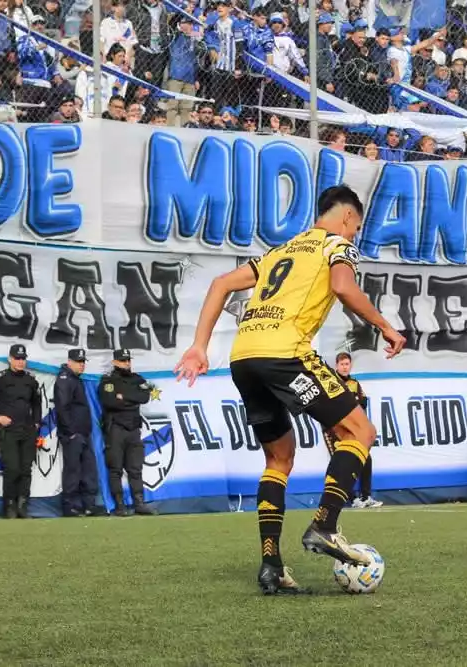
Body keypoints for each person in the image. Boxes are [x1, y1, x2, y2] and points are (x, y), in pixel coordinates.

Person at [174, 184, 407, 596]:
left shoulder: (280, 251)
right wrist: (386, 326)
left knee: (278, 459)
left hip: (244, 357)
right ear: (349, 218)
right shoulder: (337, 244)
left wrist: (199, 346)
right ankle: (325, 525)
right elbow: (342, 287)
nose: (354, 235)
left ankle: (272, 566)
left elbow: (220, 284)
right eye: (357, 227)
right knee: (360, 432)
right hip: (285, 353)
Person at [0, 344, 42, 519]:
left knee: (26, 469)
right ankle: (10, 506)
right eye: (17, 358)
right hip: (9, 430)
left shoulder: (30, 380)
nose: (20, 362)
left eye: (23, 358)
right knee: (12, 468)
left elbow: (37, 402)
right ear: (10, 359)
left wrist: (36, 422)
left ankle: (23, 506)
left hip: (27, 430)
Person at [98, 349, 157, 517]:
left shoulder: (137, 379)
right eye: (123, 361)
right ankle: (119, 505)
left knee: (135, 468)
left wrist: (123, 397)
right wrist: (130, 399)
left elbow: (145, 397)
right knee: (115, 469)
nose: (127, 363)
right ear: (115, 362)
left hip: (133, 429)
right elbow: (109, 402)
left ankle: (139, 503)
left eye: (128, 360)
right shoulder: (108, 380)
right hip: (115, 429)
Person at [324, 351, 382, 509]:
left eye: (347, 364)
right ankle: (350, 499)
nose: (344, 367)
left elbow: (362, 404)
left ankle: (365, 497)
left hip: (353, 430)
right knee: (341, 463)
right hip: (334, 430)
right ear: (336, 366)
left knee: (365, 459)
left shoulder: (355, 384)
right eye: (342, 364)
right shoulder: (331, 381)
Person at [54, 348, 101, 516]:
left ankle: (88, 505)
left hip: (83, 432)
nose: (82, 365)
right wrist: (71, 432)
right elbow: (62, 407)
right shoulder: (65, 379)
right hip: (73, 434)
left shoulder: (75, 379)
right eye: (78, 362)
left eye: (83, 362)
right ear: (69, 362)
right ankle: (70, 506)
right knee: (73, 470)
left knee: (88, 470)